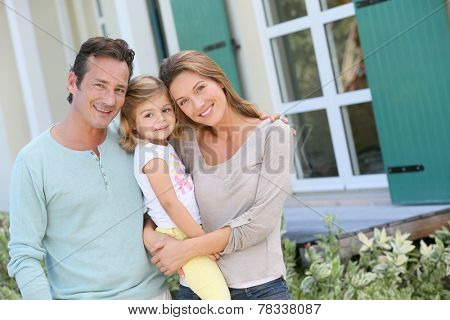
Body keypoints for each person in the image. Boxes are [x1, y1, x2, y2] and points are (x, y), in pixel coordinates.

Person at [7, 37, 169, 299]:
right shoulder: (33, 162)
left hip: (156, 299)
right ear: (73, 82)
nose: (109, 99)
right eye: (100, 85)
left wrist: (251, 119)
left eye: (119, 89)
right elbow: (25, 255)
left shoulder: (132, 141)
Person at [145, 50, 293, 300]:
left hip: (259, 289)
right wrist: (150, 237)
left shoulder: (273, 133)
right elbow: (157, 200)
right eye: (183, 101)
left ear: (218, 79)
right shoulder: (184, 143)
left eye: (200, 88)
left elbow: (261, 222)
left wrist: (186, 249)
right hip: (197, 291)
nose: (197, 105)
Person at [118, 75, 230, 300]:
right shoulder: (150, 154)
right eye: (148, 114)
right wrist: (202, 240)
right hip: (179, 234)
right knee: (218, 298)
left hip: (185, 230)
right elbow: (169, 202)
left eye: (166, 110)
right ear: (133, 125)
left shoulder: (162, 146)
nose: (160, 119)